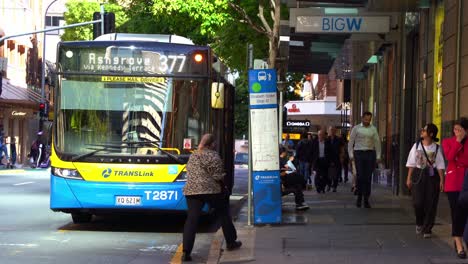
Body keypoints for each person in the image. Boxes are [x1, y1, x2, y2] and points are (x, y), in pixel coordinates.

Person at [182, 134, 241, 262]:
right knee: (224, 213)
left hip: (192, 191)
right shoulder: (213, 155)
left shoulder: (193, 155)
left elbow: (189, 171)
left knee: (191, 220)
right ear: (212, 144)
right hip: (211, 190)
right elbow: (217, 176)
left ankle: (186, 252)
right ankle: (231, 242)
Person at [406, 123, 445, 239]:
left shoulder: (437, 148)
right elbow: (411, 163)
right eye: (422, 130)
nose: (421, 131)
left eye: (424, 130)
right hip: (419, 175)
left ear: (431, 134)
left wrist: (442, 181)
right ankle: (419, 222)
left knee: (431, 202)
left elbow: (440, 166)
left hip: (432, 177)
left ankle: (428, 228)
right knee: (417, 202)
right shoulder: (416, 145)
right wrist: (408, 178)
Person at [442, 118, 468, 258]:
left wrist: (459, 160)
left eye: (460, 129)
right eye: (455, 129)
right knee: (456, 212)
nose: (456, 132)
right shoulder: (448, 142)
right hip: (453, 182)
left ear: (466, 130)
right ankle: (458, 243)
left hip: (466, 180)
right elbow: (450, 157)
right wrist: (458, 142)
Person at [348, 111, 381, 208]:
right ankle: (359, 197)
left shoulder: (373, 129)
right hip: (358, 153)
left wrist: (378, 156)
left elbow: (377, 143)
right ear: (362, 118)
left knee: (368, 177)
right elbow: (351, 142)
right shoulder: (356, 128)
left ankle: (366, 199)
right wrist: (351, 155)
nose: (367, 121)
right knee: (360, 176)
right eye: (366, 119)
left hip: (370, 154)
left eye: (369, 119)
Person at [326, 126, 343, 192]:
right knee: (328, 173)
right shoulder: (327, 139)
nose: (332, 131)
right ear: (329, 131)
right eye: (331, 130)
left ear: (335, 131)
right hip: (329, 158)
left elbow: (342, 149)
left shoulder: (338, 139)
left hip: (337, 158)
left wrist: (341, 157)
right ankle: (329, 185)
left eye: (333, 130)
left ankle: (334, 186)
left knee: (336, 173)